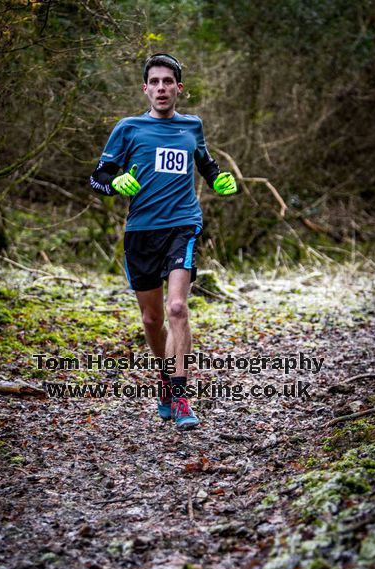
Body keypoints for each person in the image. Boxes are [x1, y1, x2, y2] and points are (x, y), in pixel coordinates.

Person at [90, 53, 237, 430]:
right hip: (141, 232)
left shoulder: (192, 126)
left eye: (167, 82)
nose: (161, 88)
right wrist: (114, 183)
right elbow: (98, 177)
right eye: (154, 82)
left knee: (176, 309)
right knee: (152, 318)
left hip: (182, 227)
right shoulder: (128, 128)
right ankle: (166, 379)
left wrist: (219, 180)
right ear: (145, 88)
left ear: (178, 88)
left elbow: (205, 162)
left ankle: (181, 395)